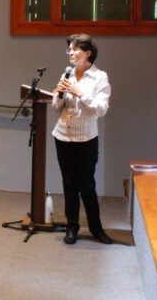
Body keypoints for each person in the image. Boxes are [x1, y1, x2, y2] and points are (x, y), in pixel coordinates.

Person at [52, 34, 112, 245]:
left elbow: (101, 109)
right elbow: (56, 108)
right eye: (69, 49)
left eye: (74, 49)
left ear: (88, 53)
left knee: (87, 184)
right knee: (69, 183)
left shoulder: (100, 77)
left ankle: (96, 228)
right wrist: (58, 94)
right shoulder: (66, 74)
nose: (70, 52)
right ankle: (72, 227)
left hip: (86, 139)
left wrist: (80, 93)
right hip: (62, 136)